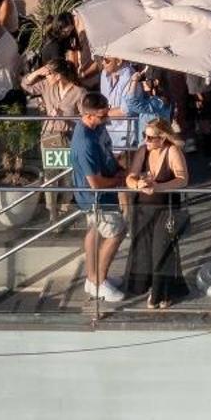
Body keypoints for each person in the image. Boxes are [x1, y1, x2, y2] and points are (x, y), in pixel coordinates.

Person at [123, 118, 190, 308]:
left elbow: (183, 179)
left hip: (165, 210)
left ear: (163, 138)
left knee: (161, 250)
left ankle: (161, 293)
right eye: (145, 135)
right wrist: (138, 184)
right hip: (143, 209)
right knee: (144, 250)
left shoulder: (172, 151)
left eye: (151, 137)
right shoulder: (143, 151)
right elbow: (130, 176)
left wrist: (158, 187)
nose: (146, 140)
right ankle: (152, 287)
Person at [70, 91, 127, 304]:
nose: (107, 119)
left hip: (102, 192)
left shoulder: (98, 127)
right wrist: (119, 180)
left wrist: (118, 167)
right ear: (89, 116)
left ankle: (92, 278)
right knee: (116, 233)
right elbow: (95, 183)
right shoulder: (84, 143)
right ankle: (98, 282)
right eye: (102, 116)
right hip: (96, 197)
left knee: (94, 231)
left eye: (107, 114)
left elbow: (107, 153)